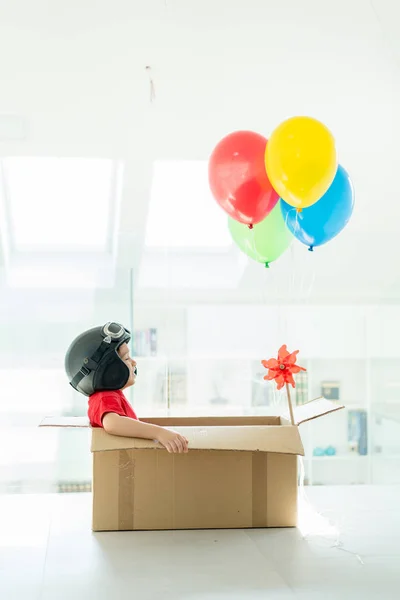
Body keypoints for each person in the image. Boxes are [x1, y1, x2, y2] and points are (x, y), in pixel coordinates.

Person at [64, 322, 188, 454]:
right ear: (108, 370)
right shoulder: (104, 397)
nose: (133, 362)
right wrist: (159, 433)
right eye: (127, 358)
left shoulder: (111, 395)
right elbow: (112, 424)